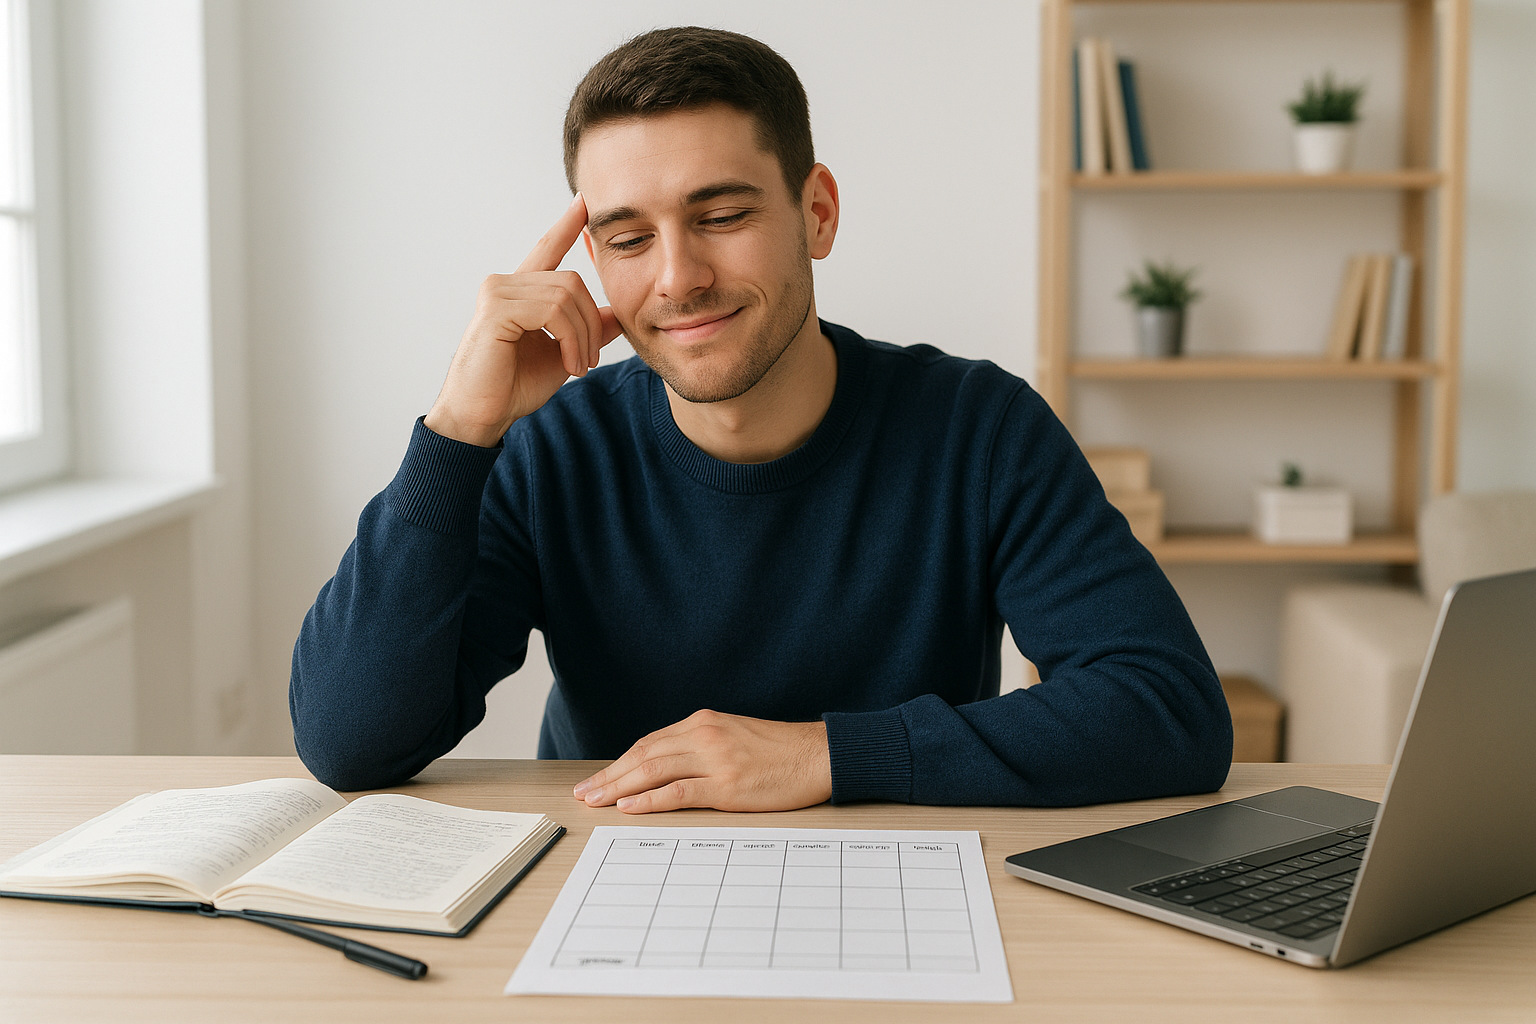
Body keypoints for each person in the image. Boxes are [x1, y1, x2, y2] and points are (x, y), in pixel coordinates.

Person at [290, 26, 1231, 813]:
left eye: (722, 214)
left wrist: (825, 757)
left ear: (815, 213)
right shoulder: (552, 449)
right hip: (611, 875)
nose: (676, 277)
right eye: (627, 239)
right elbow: (349, 741)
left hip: (908, 883)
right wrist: (458, 427)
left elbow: (1167, 710)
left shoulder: (978, 429)